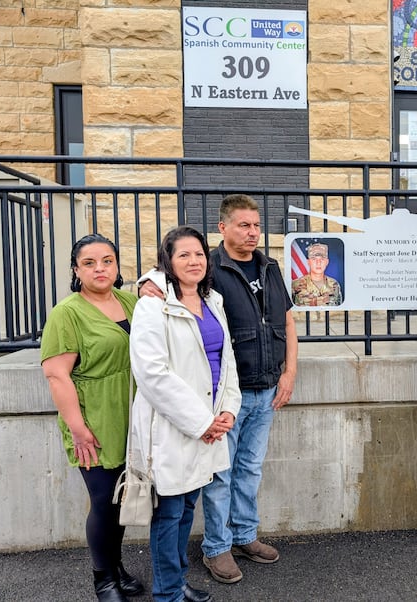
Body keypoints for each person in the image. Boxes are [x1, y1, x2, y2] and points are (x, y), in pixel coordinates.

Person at [139, 194, 298, 585]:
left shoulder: (270, 266)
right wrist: (145, 283)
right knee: (220, 475)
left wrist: (289, 372)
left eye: (256, 225)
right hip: (224, 397)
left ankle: (244, 535)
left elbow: (287, 320)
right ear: (223, 228)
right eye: (244, 225)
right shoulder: (209, 267)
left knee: (250, 469)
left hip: (265, 388)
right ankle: (216, 547)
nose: (252, 232)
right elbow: (165, 280)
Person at [129, 226, 242, 602]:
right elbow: (151, 374)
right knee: (170, 512)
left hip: (211, 422)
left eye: (199, 254)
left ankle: (176, 582)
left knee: (188, 506)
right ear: (168, 261)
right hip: (174, 425)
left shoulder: (213, 300)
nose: (194, 261)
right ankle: (166, 593)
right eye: (183, 255)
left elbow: (226, 362)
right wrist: (202, 422)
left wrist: (228, 410)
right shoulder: (152, 305)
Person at [41, 234, 144, 602]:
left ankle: (117, 568)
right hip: (94, 420)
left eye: (107, 261)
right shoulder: (66, 313)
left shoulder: (131, 302)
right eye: (89, 263)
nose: (100, 268)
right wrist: (78, 428)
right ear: (76, 270)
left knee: (122, 499)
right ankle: (104, 580)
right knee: (104, 500)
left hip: (131, 416)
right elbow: (57, 375)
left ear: (116, 266)